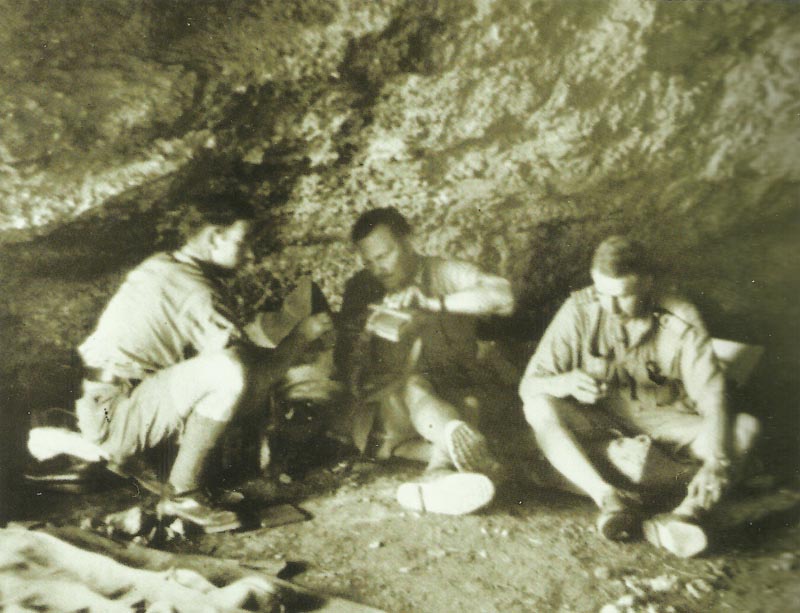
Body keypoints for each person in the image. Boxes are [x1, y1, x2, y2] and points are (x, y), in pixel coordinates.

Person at [75, 200, 332, 532]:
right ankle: (183, 497)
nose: (250, 255)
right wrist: (303, 334)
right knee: (229, 372)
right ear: (214, 238)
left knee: (226, 376)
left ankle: (172, 482)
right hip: (116, 416)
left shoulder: (164, 264)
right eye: (242, 243)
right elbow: (252, 378)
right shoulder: (197, 292)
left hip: (107, 404)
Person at [519, 235, 760, 555]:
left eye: (623, 296)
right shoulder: (580, 309)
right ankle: (608, 497)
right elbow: (529, 386)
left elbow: (712, 396)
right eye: (603, 293)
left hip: (668, 422)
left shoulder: (680, 316)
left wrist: (716, 459)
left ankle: (685, 514)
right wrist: (564, 383)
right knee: (538, 407)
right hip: (604, 420)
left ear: (648, 283)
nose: (611, 306)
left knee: (745, 430)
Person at [335, 207, 517, 515]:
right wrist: (367, 335)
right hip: (394, 405)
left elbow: (504, 298)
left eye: (385, 255)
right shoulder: (361, 288)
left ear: (408, 241)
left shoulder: (443, 272)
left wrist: (435, 305)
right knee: (416, 386)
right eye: (369, 262)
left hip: (453, 395)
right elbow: (349, 364)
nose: (378, 268)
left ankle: (438, 473)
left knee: (469, 403)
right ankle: (455, 454)